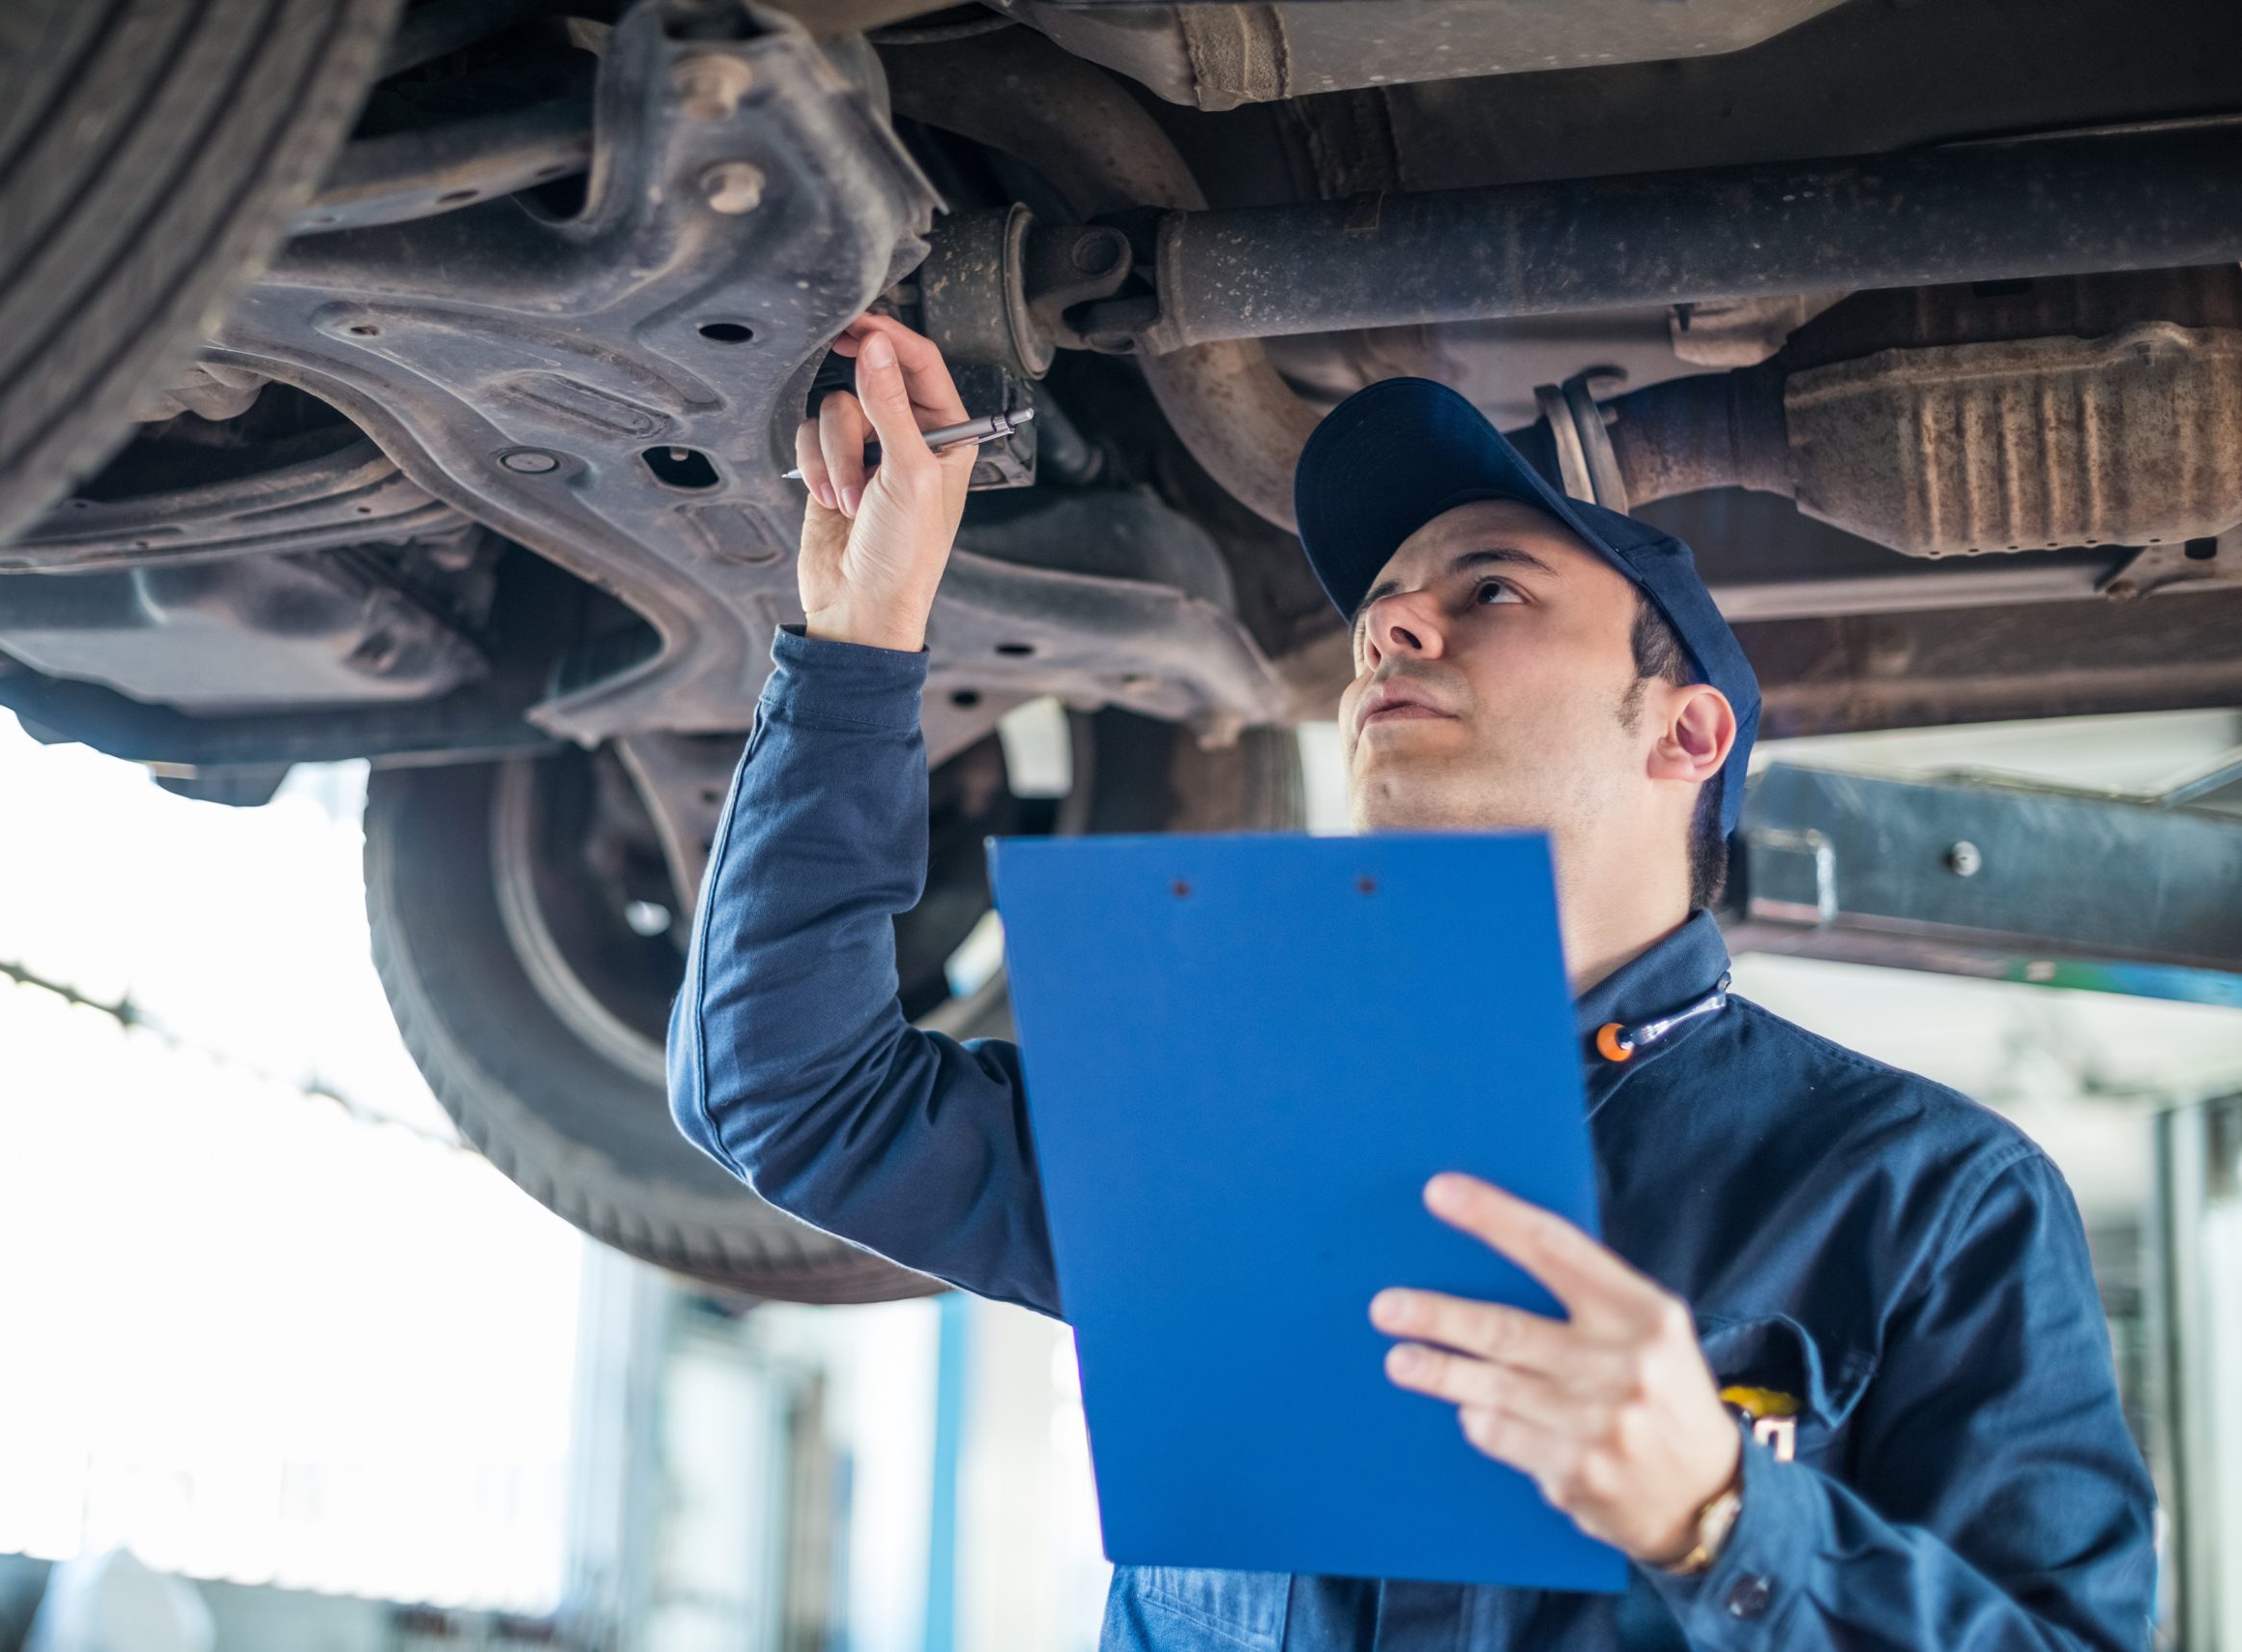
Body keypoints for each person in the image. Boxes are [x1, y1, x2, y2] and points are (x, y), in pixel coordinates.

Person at [666, 312, 2156, 1651]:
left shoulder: (1931, 1200)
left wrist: (1722, 1517)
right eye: (1380, 603)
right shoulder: (1221, 1116)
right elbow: (791, 1096)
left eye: (1492, 588)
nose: (1387, 624)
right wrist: (857, 640)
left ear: (1687, 733)